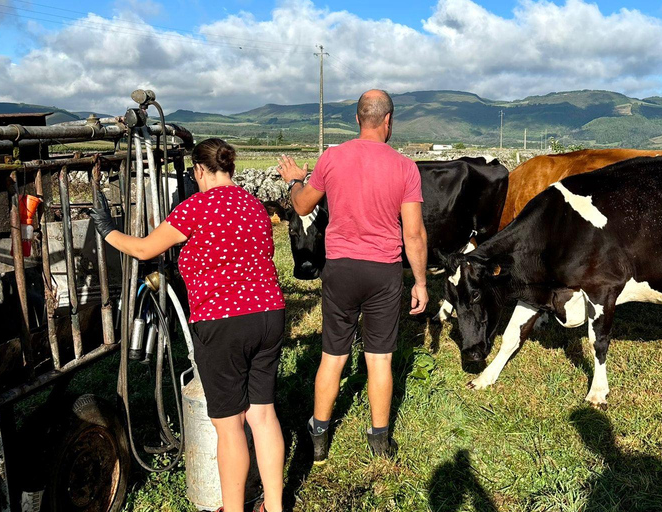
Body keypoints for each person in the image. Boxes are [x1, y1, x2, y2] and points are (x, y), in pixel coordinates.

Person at [90, 138, 285, 512]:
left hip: (223, 322)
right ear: (229, 168)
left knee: (229, 426)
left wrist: (107, 230)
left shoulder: (195, 208)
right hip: (269, 314)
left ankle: (234, 508)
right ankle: (273, 507)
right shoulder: (255, 207)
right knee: (263, 415)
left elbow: (146, 249)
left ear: (198, 170)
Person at [276, 89, 428, 461]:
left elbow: (301, 204)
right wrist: (421, 282)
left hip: (340, 269)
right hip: (384, 272)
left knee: (333, 355)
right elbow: (413, 233)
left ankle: (319, 435)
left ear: (357, 119)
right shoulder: (406, 167)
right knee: (379, 359)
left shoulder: (332, 157)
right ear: (388, 121)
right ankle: (379, 440)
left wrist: (296, 179)